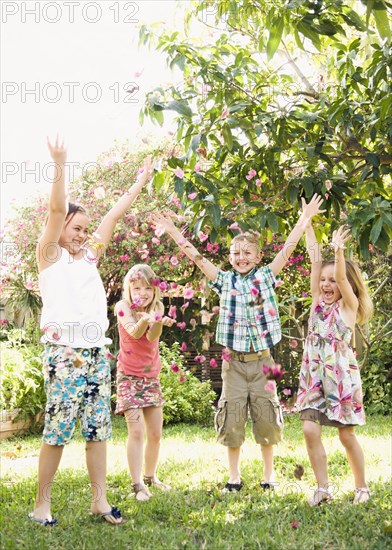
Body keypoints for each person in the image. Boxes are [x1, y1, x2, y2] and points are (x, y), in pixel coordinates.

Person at [151, 195, 325, 492]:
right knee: (232, 418)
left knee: (267, 417)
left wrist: (304, 219)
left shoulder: (267, 276)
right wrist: (172, 231)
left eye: (247, 253)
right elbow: (196, 257)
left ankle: (268, 476)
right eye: (235, 252)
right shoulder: (224, 280)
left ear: (258, 257)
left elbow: (289, 248)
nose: (240, 257)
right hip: (233, 363)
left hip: (266, 361)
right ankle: (234, 477)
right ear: (230, 257)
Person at [30, 136, 152, 526]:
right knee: (57, 430)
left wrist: (138, 185)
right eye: (76, 228)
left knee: (98, 430)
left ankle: (99, 501)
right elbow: (54, 208)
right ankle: (41, 504)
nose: (83, 235)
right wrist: (61, 162)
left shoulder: (89, 259)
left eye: (86, 230)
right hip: (65, 352)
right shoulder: (50, 257)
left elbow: (112, 218)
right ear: (61, 226)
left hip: (97, 352)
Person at [297, 224, 373, 506]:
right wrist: (307, 223)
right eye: (323, 280)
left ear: (347, 286)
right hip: (313, 376)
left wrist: (339, 251)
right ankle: (323, 488)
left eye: (333, 281)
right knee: (309, 429)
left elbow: (341, 276)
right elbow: (315, 259)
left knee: (346, 435)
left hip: (341, 380)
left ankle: (362, 487)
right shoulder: (317, 302)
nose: (327, 284)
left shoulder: (347, 307)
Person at [114, 263, 174, 501]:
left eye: (147, 288)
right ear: (128, 289)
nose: (142, 292)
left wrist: (158, 320)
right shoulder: (122, 307)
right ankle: (137, 484)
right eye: (136, 287)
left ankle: (150, 477)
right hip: (128, 376)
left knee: (155, 433)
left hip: (151, 377)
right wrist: (146, 319)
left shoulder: (157, 306)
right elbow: (135, 333)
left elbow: (151, 336)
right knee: (136, 430)